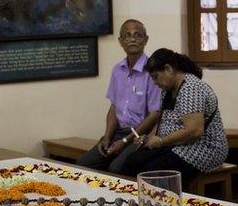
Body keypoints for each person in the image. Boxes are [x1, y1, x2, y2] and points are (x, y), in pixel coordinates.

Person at [120, 49, 227, 184]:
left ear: (168, 69)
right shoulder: (168, 90)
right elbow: (162, 121)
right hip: (174, 145)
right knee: (132, 161)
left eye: (155, 76)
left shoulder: (192, 88)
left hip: (203, 148)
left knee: (152, 171)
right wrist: (149, 138)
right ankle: (133, 201)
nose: (154, 82)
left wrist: (161, 141)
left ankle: (165, 203)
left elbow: (194, 131)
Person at [78, 19, 162, 173]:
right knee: (83, 164)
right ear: (120, 41)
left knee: (116, 169)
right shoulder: (118, 70)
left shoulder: (152, 71)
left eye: (138, 35)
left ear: (146, 40)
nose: (132, 39)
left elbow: (155, 115)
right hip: (118, 132)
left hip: (140, 135)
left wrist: (125, 141)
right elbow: (114, 107)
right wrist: (107, 137)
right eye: (127, 35)